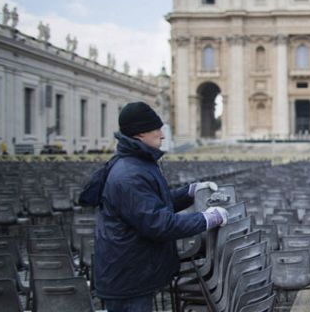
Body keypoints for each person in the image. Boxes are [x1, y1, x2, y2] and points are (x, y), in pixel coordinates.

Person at [95, 101, 230, 312]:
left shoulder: (136, 164)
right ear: (140, 134)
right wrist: (206, 219)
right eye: (157, 128)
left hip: (133, 270)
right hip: (129, 277)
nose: (163, 134)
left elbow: (152, 203)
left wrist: (189, 192)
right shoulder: (129, 175)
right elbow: (158, 223)